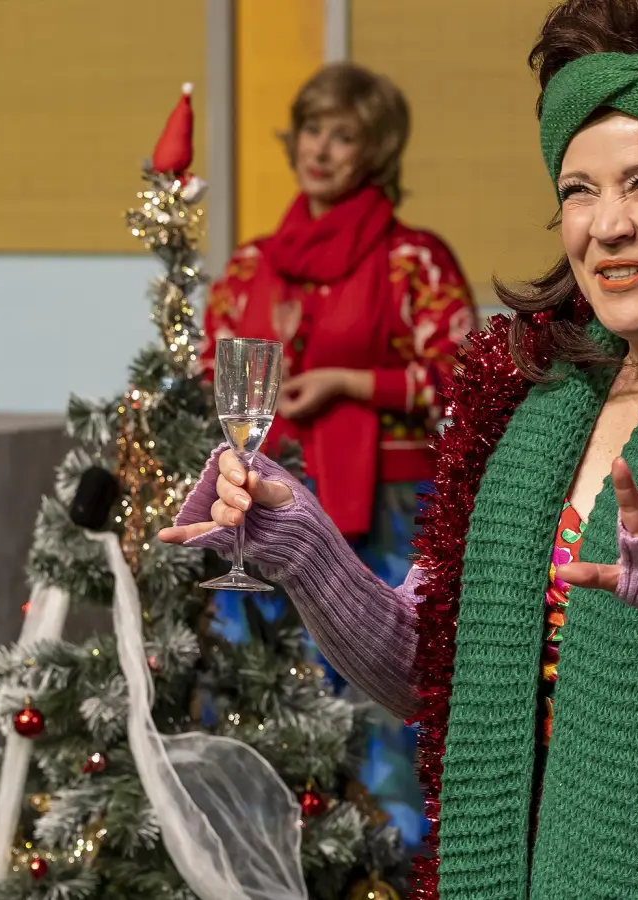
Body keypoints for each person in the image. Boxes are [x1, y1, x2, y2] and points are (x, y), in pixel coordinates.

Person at [166, 2, 638, 896]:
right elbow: (428, 668)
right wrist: (303, 545)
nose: (605, 226)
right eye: (578, 189)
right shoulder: (533, 398)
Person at [199, 63, 475, 852]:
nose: (321, 149)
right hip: (262, 502)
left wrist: (351, 382)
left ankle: (397, 859)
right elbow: (204, 369)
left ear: (375, 151)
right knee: (262, 687)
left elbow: (462, 375)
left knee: (383, 693)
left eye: (343, 135)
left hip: (387, 510)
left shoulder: (410, 260)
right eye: (313, 129)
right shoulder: (252, 264)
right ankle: (262, 854)